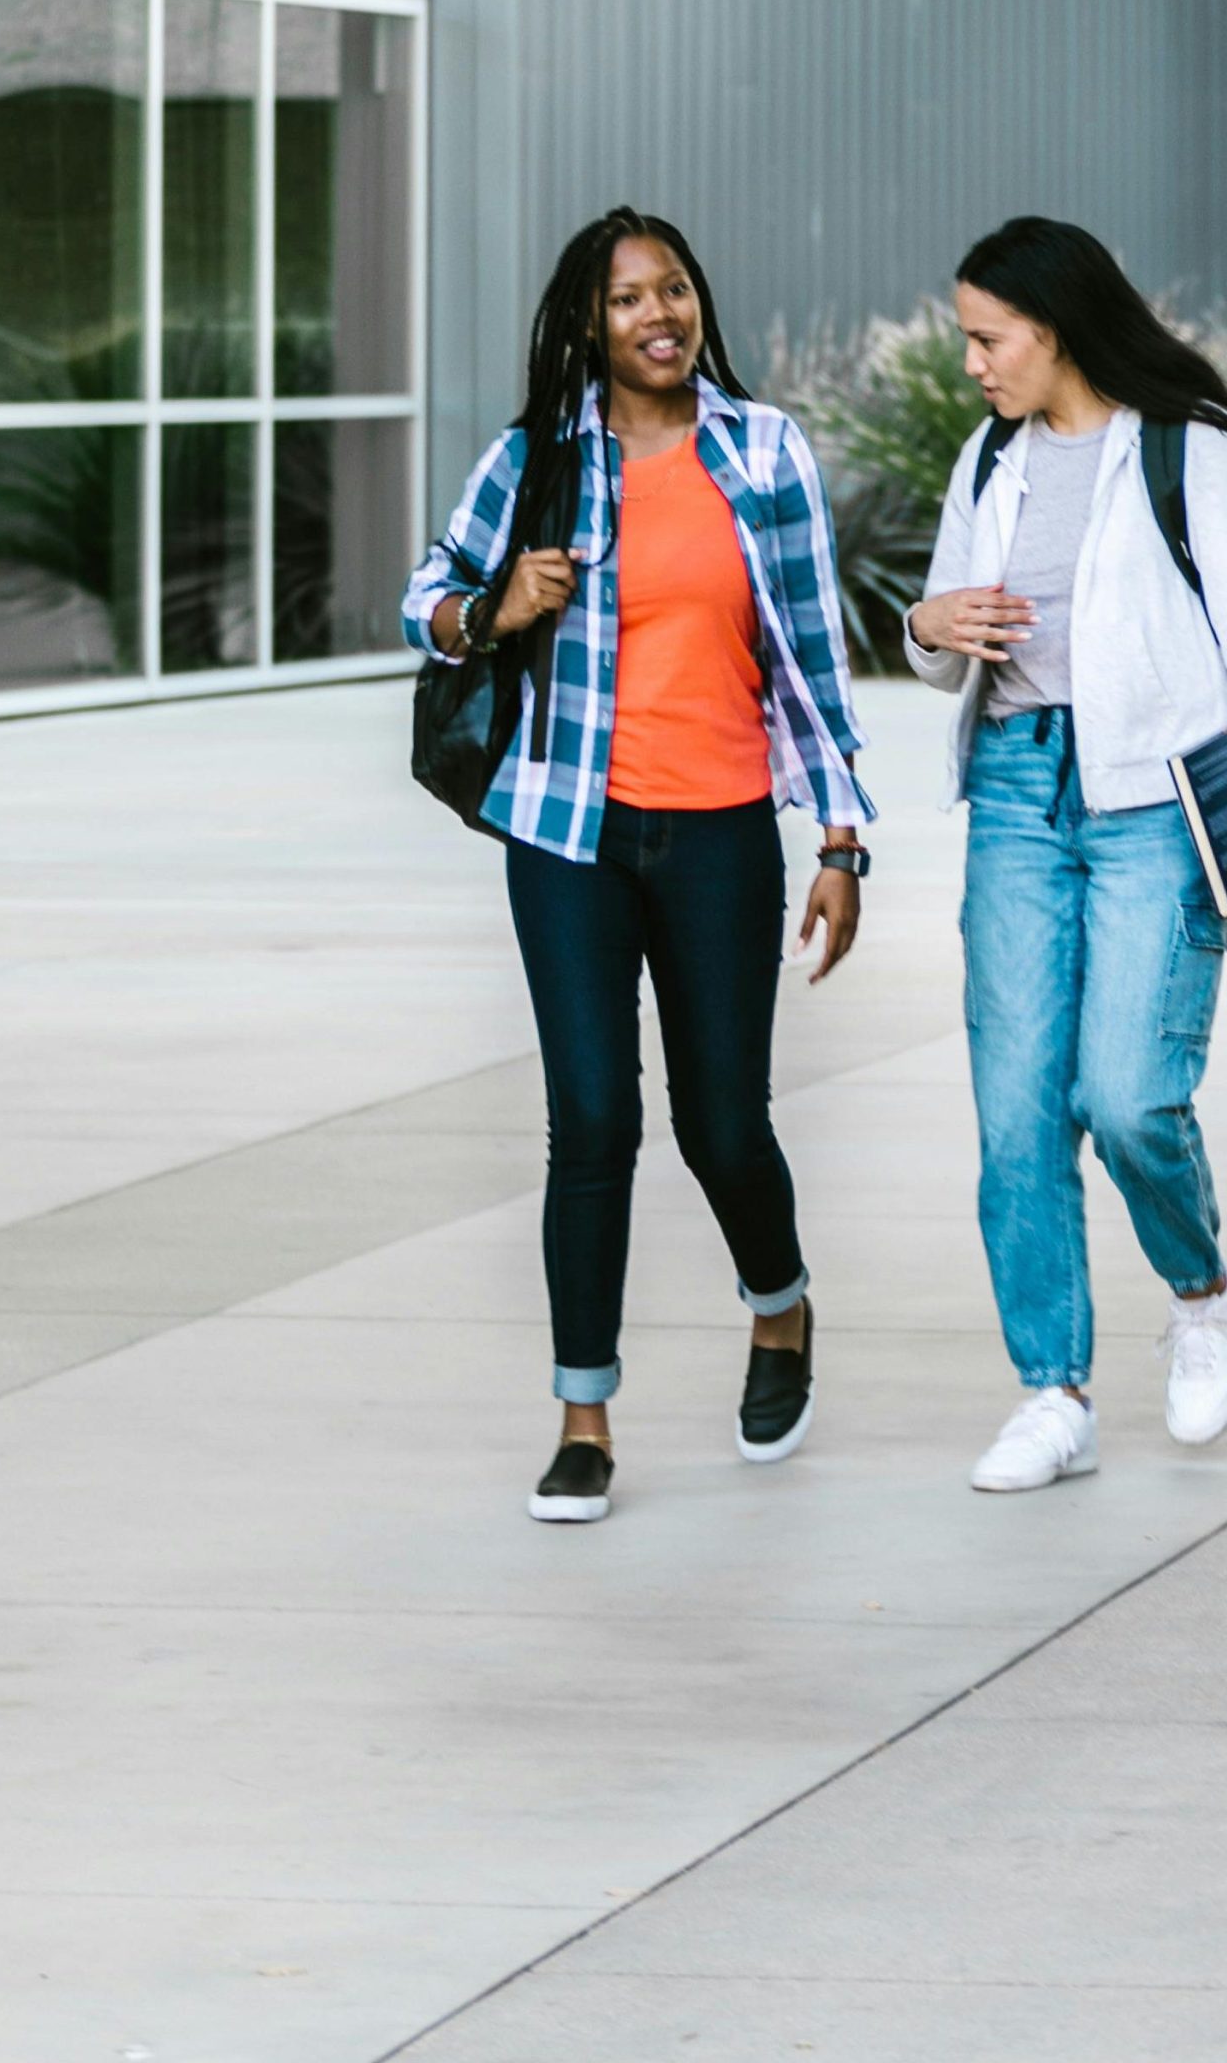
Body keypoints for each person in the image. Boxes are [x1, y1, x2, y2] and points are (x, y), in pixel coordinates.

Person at [402, 207, 872, 1526]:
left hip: (723, 831)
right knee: (594, 1119)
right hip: (568, 835)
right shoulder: (537, 461)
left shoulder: (761, 450)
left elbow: (810, 663)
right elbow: (426, 594)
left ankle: (779, 1312)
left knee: (725, 1123)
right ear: (588, 324)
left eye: (675, 291)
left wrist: (841, 839)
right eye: (628, 301)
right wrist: (491, 610)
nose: (659, 314)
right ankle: (584, 1415)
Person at [906, 216, 1227, 1493]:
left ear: (1058, 325)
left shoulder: (1198, 450)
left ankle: (1202, 1292)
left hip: (1152, 800)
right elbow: (935, 647)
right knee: (1017, 1109)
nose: (973, 363)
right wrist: (930, 621)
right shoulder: (989, 458)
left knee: (1128, 1096)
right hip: (1017, 789)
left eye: (989, 337)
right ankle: (1052, 1389)